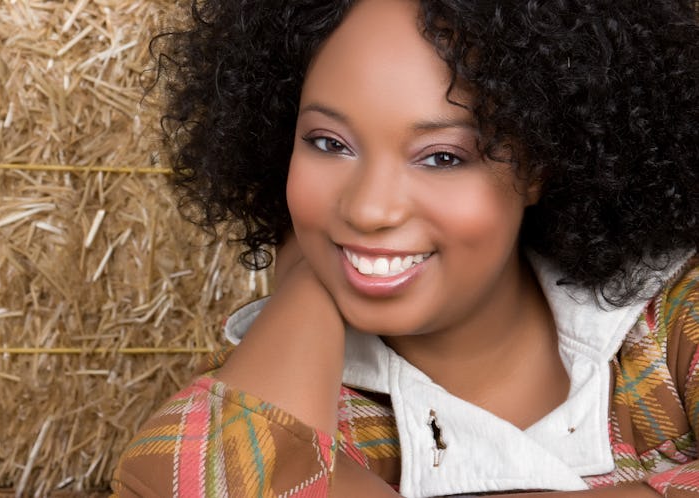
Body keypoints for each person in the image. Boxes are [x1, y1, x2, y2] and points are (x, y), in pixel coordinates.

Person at [111, 0, 699, 496]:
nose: (369, 209)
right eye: (327, 143)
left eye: (442, 157)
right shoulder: (304, 403)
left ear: (541, 164)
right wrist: (304, 289)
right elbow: (174, 480)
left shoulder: (671, 322)